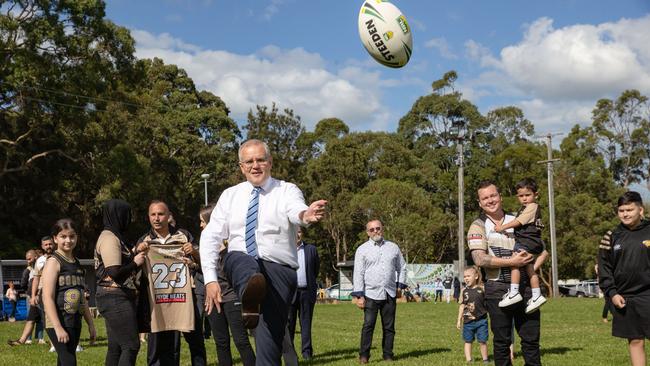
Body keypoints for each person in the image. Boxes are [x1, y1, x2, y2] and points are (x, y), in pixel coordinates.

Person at [200, 139, 327, 366]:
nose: (255, 165)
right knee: (241, 261)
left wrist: (305, 216)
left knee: (269, 346)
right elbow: (211, 237)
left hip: (279, 270)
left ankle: (253, 298)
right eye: (249, 161)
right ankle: (251, 290)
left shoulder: (286, 190)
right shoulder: (230, 196)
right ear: (241, 167)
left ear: (270, 162)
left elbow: (295, 209)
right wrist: (210, 279)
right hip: (240, 263)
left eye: (260, 160)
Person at [467, 180, 540, 366]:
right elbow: (479, 259)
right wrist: (512, 262)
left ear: (500, 196)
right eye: (485, 198)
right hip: (497, 289)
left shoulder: (518, 218)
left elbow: (538, 244)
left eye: (493, 195)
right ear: (479, 203)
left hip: (525, 289)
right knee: (501, 342)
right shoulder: (478, 226)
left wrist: (532, 260)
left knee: (531, 341)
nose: (490, 200)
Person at [135, 200, 207, 366]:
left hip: (184, 298)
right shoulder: (144, 240)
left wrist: (194, 252)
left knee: (195, 341)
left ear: (168, 216)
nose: (157, 218)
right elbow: (132, 267)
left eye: (160, 214)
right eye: (153, 214)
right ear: (148, 217)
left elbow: (205, 265)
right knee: (159, 346)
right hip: (157, 301)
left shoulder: (184, 236)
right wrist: (137, 251)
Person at [199, 204, 255, 366]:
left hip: (231, 298)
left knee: (241, 340)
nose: (201, 225)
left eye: (203, 221)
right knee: (221, 342)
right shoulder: (205, 245)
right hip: (212, 300)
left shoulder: (232, 246)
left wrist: (223, 251)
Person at [598, 191, 650, 366]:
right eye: (621, 210)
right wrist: (612, 293)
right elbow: (604, 268)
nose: (625, 214)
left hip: (648, 296)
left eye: (629, 209)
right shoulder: (611, 236)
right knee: (635, 341)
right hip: (625, 298)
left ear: (640, 210)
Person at [94, 199, 145, 365]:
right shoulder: (109, 238)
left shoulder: (116, 236)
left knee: (115, 347)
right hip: (114, 297)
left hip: (115, 296)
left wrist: (135, 251)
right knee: (131, 345)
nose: (129, 219)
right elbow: (114, 272)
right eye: (126, 215)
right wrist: (136, 262)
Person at [41, 219, 96, 366]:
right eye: (63, 236)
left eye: (72, 236)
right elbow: (47, 297)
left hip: (74, 320)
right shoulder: (54, 261)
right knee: (69, 361)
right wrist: (58, 327)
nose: (68, 240)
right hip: (57, 321)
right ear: (55, 239)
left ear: (77, 237)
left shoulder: (76, 263)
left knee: (66, 359)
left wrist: (90, 324)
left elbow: (82, 298)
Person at [351, 219, 407, 364]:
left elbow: (402, 267)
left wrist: (400, 286)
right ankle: (364, 355)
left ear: (382, 228)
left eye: (378, 228)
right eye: (372, 229)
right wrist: (359, 296)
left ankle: (388, 355)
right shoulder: (362, 250)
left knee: (389, 327)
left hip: (389, 293)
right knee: (368, 326)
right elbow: (358, 273)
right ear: (367, 232)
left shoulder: (393, 247)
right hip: (370, 294)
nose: (375, 231)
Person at [494, 178, 547, 313]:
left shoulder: (531, 207)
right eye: (521, 196)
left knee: (514, 263)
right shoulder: (528, 207)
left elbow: (519, 222)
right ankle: (536, 295)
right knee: (530, 269)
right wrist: (511, 234)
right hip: (531, 241)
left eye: (527, 195)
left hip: (527, 242)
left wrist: (502, 227)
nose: (524, 198)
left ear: (536, 194)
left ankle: (514, 292)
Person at [8, 237, 54, 346]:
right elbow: (36, 279)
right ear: (42, 247)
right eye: (46, 245)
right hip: (38, 294)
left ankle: (53, 343)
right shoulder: (40, 260)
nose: (48, 246)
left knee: (48, 319)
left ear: (54, 243)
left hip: (51, 294)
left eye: (50, 244)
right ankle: (21, 341)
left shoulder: (58, 257)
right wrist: (33, 295)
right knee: (31, 318)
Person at [288, 227, 320, 361]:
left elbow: (315, 270)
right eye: (294, 231)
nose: (297, 234)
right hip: (289, 294)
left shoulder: (311, 249)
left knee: (306, 324)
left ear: (302, 233)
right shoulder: (285, 250)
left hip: (307, 292)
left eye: (299, 231)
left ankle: (307, 353)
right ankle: (289, 353)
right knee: (289, 325)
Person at [456, 266, 489, 364]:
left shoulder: (482, 288)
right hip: (468, 322)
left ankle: (485, 359)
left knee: (482, 341)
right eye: (464, 276)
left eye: (468, 276)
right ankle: (469, 360)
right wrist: (459, 320)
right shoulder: (463, 291)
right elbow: (462, 306)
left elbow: (488, 304)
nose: (466, 278)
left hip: (481, 321)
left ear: (476, 276)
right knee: (468, 341)